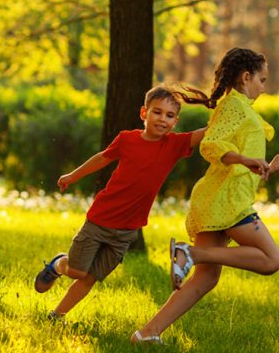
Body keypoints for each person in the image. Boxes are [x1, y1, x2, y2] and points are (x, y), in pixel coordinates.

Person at [131, 47, 279, 345]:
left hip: (220, 199)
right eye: (262, 79)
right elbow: (211, 145)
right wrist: (245, 160)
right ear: (246, 77)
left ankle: (146, 334)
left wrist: (268, 167)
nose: (264, 86)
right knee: (271, 260)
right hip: (227, 202)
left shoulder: (240, 108)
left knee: (205, 278)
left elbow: (240, 161)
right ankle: (189, 254)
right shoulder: (235, 107)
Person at [34, 84, 207, 320]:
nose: (162, 119)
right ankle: (58, 265)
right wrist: (73, 176)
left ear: (175, 122)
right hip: (100, 219)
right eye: (157, 112)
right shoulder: (127, 139)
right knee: (76, 271)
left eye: (169, 115)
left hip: (127, 230)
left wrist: (230, 109)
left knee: (90, 278)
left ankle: (56, 315)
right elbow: (102, 159)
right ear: (144, 113)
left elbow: (208, 131)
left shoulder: (174, 145)